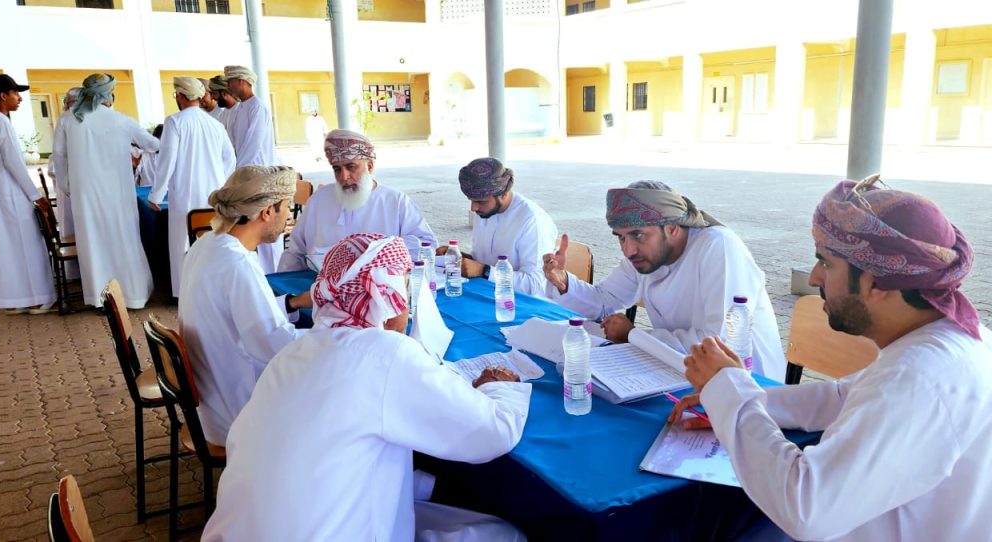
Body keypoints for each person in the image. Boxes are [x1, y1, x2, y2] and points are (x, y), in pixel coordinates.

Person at [672, 177, 992, 541]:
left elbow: (807, 510)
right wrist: (732, 400)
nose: (813, 278)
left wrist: (731, 395)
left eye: (825, 262)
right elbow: (841, 397)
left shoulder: (918, 377)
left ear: (876, 283)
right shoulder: (951, 337)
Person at [203, 233, 530, 541]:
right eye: (404, 294)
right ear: (386, 298)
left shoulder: (294, 351)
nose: (406, 309)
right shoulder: (385, 354)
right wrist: (501, 388)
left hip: (241, 530)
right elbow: (493, 433)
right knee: (505, 533)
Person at [542, 181, 784, 381]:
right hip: (682, 369)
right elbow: (604, 300)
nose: (628, 250)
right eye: (621, 238)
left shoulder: (718, 246)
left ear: (673, 228)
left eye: (637, 235)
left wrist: (634, 335)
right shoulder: (643, 256)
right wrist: (563, 283)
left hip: (749, 385)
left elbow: (718, 343)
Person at [178, 165, 310, 446]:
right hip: (237, 414)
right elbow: (274, 345)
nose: (289, 214)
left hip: (212, 402)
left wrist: (294, 302)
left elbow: (238, 317)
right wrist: (337, 335)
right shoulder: (237, 264)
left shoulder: (207, 244)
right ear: (267, 212)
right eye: (287, 206)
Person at [58, 73, 160, 309]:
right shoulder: (122, 120)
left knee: (94, 242)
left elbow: (60, 156)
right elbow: (153, 145)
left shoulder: (68, 119)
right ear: (108, 95)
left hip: (85, 196)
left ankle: (99, 297)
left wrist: (68, 186)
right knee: (123, 239)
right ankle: (132, 295)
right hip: (118, 195)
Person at [278, 129, 437, 272]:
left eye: (351, 166)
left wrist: (377, 251)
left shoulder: (395, 201)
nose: (344, 177)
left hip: (380, 288)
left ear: (369, 166)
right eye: (337, 169)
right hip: (320, 287)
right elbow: (295, 253)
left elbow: (426, 244)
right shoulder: (319, 200)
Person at [148, 77, 236, 297]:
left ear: (180, 96)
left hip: (184, 194)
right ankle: (212, 289)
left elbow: (167, 160)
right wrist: (220, 182)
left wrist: (156, 195)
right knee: (212, 240)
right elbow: (230, 159)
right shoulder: (215, 124)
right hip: (213, 195)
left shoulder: (175, 122)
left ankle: (184, 292)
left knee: (183, 243)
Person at [0, 74, 56, 315]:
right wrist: (36, 196)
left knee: (9, 248)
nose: (19, 98)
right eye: (15, 93)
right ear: (3, 95)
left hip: (0, 196)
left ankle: (15, 299)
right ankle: (35, 300)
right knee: (27, 246)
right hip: (11, 195)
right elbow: (14, 163)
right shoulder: (1, 123)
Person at [446, 157, 557, 297]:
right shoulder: (485, 212)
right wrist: (459, 257)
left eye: (481, 202)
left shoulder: (532, 220)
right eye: (471, 200)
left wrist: (484, 271)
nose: (473, 208)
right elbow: (483, 260)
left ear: (503, 194)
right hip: (486, 292)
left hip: (522, 303)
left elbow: (535, 285)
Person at [224, 64, 283, 273]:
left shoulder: (258, 107)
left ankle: (273, 272)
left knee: (267, 223)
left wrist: (238, 171)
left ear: (242, 82)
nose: (229, 87)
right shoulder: (240, 109)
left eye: (231, 82)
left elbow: (253, 143)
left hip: (260, 175)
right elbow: (236, 142)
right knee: (253, 224)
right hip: (247, 174)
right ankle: (260, 271)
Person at [49, 86, 82, 241]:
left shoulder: (66, 119)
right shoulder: (66, 119)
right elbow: (59, 153)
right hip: (69, 180)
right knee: (75, 225)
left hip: (69, 180)